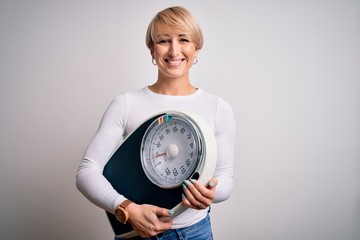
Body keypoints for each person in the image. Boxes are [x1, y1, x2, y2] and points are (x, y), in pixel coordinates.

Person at [76, 6, 236, 240]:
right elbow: (86, 172)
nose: (174, 50)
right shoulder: (126, 103)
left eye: (183, 39)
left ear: (196, 48)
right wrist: (127, 209)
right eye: (163, 40)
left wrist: (210, 191)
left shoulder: (218, 107)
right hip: (135, 233)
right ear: (152, 50)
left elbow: (226, 178)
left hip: (196, 233)